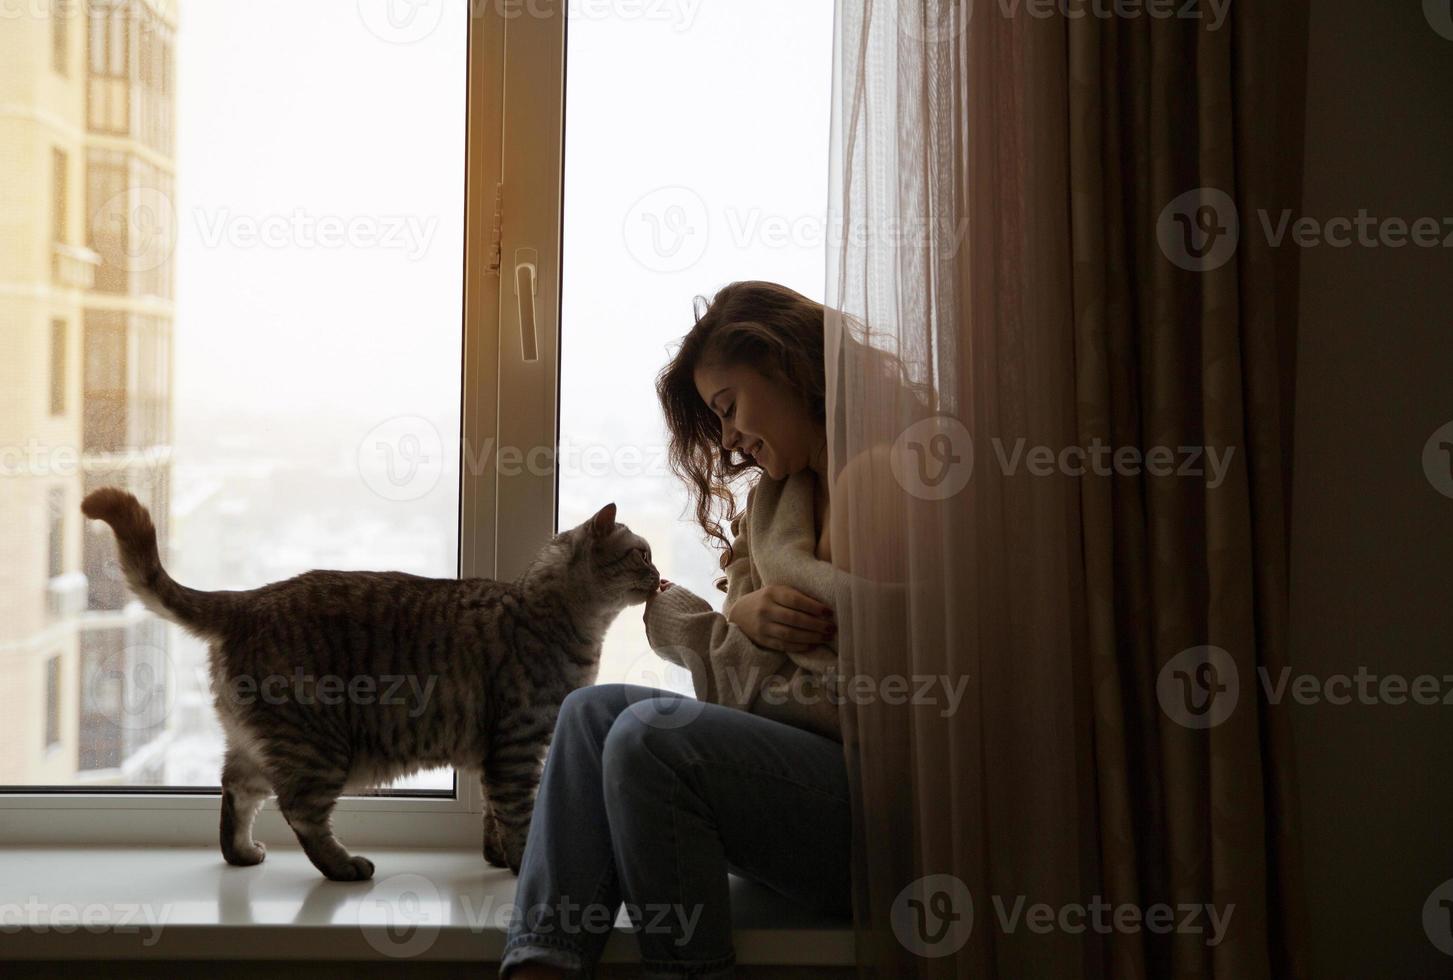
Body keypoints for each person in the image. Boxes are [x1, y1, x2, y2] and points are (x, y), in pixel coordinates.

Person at [499, 281, 854, 979]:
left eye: (727, 408)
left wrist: (723, 630)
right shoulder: (778, 503)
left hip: (872, 806)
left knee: (648, 739)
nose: (725, 439)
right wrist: (740, 618)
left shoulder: (881, 483)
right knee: (588, 711)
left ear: (788, 367)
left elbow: (843, 691)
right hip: (795, 777)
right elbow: (756, 678)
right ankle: (540, 963)